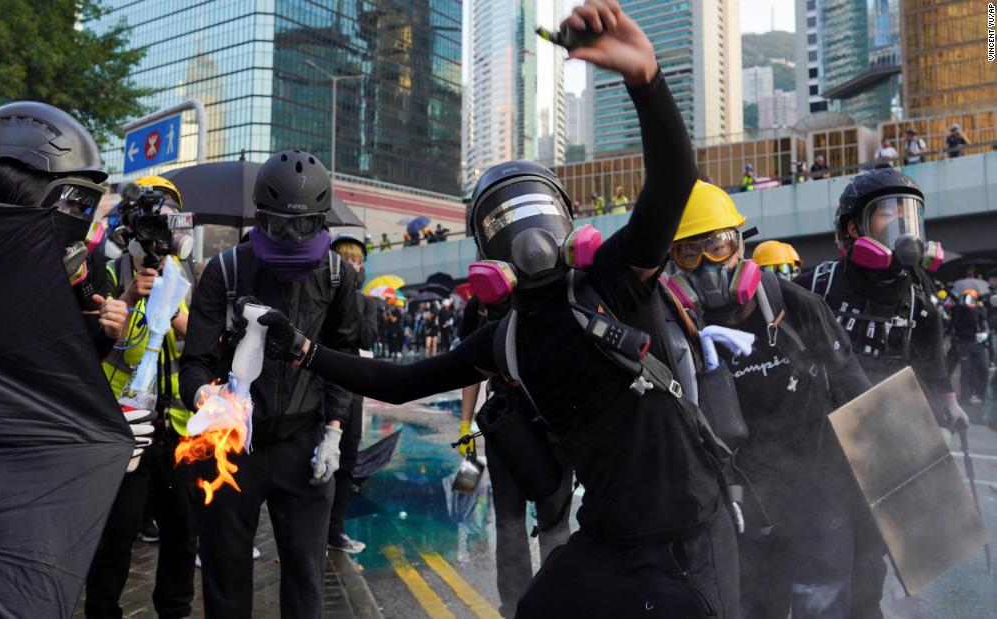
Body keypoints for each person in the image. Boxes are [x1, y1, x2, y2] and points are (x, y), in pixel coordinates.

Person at [253, 4, 741, 616]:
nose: (526, 235)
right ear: (485, 254)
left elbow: (673, 180)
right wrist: (303, 349)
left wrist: (646, 80)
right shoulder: (503, 340)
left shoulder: (615, 280)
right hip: (609, 538)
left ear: (567, 222)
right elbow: (402, 383)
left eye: (534, 211)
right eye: (501, 222)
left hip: (691, 542)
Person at [667, 182, 873, 618]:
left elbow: (858, 396)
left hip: (818, 494)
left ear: (740, 246)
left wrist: (881, 499)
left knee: (823, 606)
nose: (706, 265)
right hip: (741, 506)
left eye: (716, 246)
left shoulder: (798, 307)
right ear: (673, 263)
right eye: (689, 253)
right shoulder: (677, 333)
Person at [178, 149, 361, 618]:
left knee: (305, 578)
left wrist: (335, 433)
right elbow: (194, 362)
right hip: (234, 445)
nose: (291, 239)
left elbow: (341, 363)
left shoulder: (339, 277)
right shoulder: (225, 271)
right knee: (225, 576)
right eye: (279, 225)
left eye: (304, 227)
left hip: (305, 444)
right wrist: (206, 397)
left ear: (322, 222)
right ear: (260, 217)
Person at [795, 167, 970, 617]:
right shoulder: (819, 283)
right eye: (885, 212)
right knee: (826, 560)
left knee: (871, 564)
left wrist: (949, 404)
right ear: (854, 228)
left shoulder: (918, 292)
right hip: (821, 445)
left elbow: (930, 354)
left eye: (906, 211)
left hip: (884, 446)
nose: (899, 222)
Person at [0, 101, 148, 470]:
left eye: (85, 205)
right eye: (70, 201)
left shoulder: (79, 261)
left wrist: (108, 332)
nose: (77, 218)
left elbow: (70, 361)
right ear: (18, 191)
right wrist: (87, 430)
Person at [85, 175, 197, 619]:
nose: (159, 230)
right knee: (116, 535)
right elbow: (101, 350)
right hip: (127, 427)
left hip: (179, 429)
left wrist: (180, 316)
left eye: (168, 218)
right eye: (150, 219)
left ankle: (176, 611)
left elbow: (205, 348)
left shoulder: (192, 275)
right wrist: (130, 299)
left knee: (182, 534)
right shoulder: (108, 272)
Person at [457, 296, 573, 617]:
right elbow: (469, 367)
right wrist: (465, 424)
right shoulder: (480, 302)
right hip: (508, 422)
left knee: (552, 522)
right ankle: (517, 607)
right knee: (512, 521)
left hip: (551, 421)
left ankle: (551, 603)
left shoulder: (561, 289)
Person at [327, 233, 379, 554]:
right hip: (318, 388)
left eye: (355, 260)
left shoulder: (366, 303)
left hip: (352, 389)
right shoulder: (319, 297)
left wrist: (351, 299)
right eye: (343, 259)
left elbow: (368, 339)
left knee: (346, 463)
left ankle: (336, 530)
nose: (349, 265)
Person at [951, 289, 989, 404]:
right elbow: (954, 319)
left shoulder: (979, 310)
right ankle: (965, 396)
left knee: (982, 369)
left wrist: (985, 334)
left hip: (978, 345)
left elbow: (984, 323)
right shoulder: (958, 311)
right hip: (964, 345)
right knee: (966, 372)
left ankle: (981, 395)